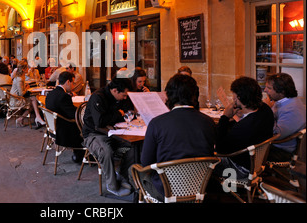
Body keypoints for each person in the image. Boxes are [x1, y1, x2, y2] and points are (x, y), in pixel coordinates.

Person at [137, 73, 216, 202]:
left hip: (166, 190)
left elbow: (146, 163)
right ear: (194, 95)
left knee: (133, 170)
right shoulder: (209, 122)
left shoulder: (157, 123)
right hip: (199, 187)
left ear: (168, 95)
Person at [82, 77, 135, 197]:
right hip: (94, 134)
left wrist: (121, 113)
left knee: (133, 148)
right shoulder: (98, 97)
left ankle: (122, 175)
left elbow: (129, 112)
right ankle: (112, 185)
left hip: (115, 132)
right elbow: (99, 122)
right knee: (106, 151)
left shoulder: (120, 97)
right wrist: (118, 114)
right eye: (124, 95)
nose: (125, 98)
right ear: (115, 90)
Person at [215, 76, 274, 179]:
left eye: (234, 97)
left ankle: (226, 190)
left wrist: (225, 117)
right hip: (256, 163)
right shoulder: (266, 110)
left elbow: (221, 149)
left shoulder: (244, 127)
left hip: (240, 169)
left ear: (239, 98)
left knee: (205, 159)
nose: (233, 99)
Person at [264, 73, 306, 162]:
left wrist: (266, 110)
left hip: (280, 150)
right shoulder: (282, 101)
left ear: (282, 91)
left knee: (241, 144)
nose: (265, 90)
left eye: (269, 88)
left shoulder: (293, 109)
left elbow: (276, 135)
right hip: (273, 145)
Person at [45, 71, 84, 163]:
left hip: (52, 128)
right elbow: (73, 114)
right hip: (62, 130)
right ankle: (80, 155)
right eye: (73, 83)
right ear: (68, 82)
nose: (73, 86)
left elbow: (66, 109)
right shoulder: (63, 96)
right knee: (84, 124)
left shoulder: (51, 93)